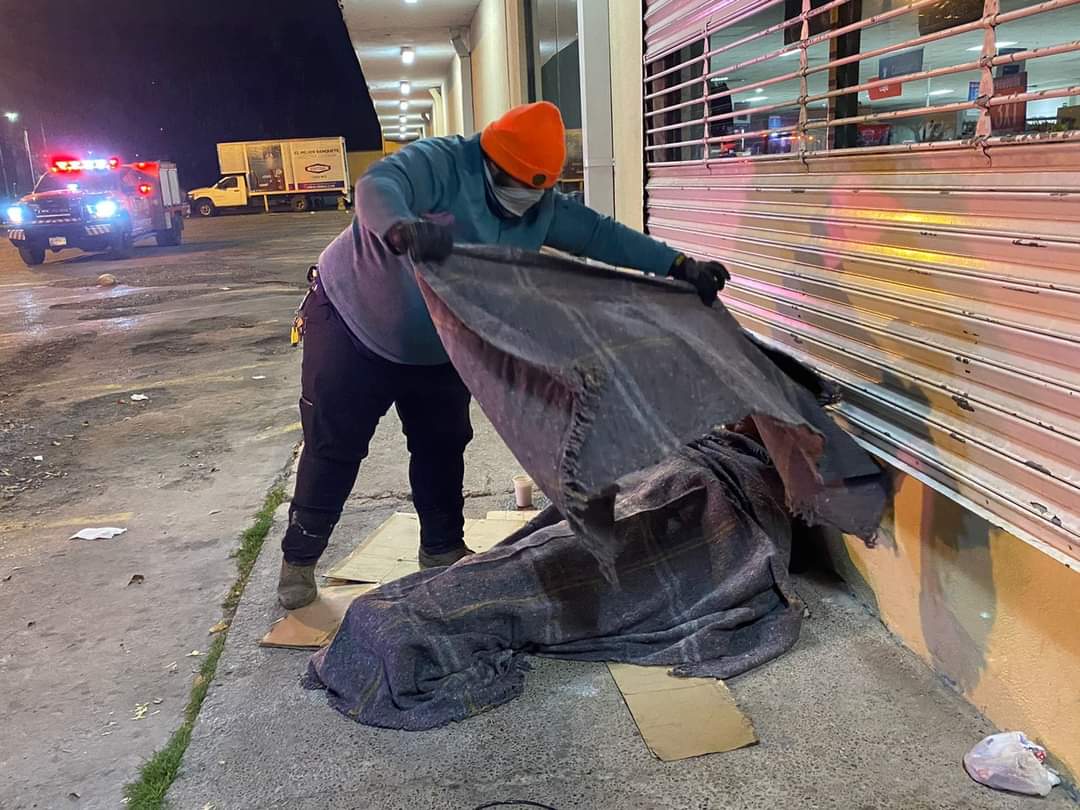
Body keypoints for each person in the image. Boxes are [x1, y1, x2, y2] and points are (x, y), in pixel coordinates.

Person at [277, 101, 730, 609]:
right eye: (516, 182)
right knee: (335, 446)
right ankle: (300, 558)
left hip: (443, 343)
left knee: (442, 445)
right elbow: (376, 187)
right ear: (489, 159)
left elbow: (600, 234)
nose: (526, 198)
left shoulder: (539, 205)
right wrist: (401, 227)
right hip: (352, 324)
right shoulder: (442, 163)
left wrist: (677, 264)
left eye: (538, 189)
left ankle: (442, 549)